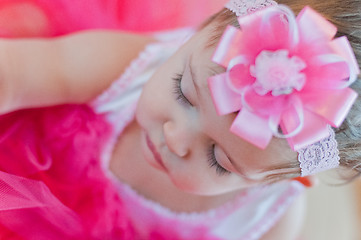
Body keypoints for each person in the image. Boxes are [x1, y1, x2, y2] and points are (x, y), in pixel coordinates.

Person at [0, 0, 359, 239]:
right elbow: (15, 73)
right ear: (193, 36)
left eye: (219, 159)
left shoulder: (267, 221)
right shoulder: (125, 67)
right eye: (182, 93)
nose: (175, 138)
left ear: (287, 178)